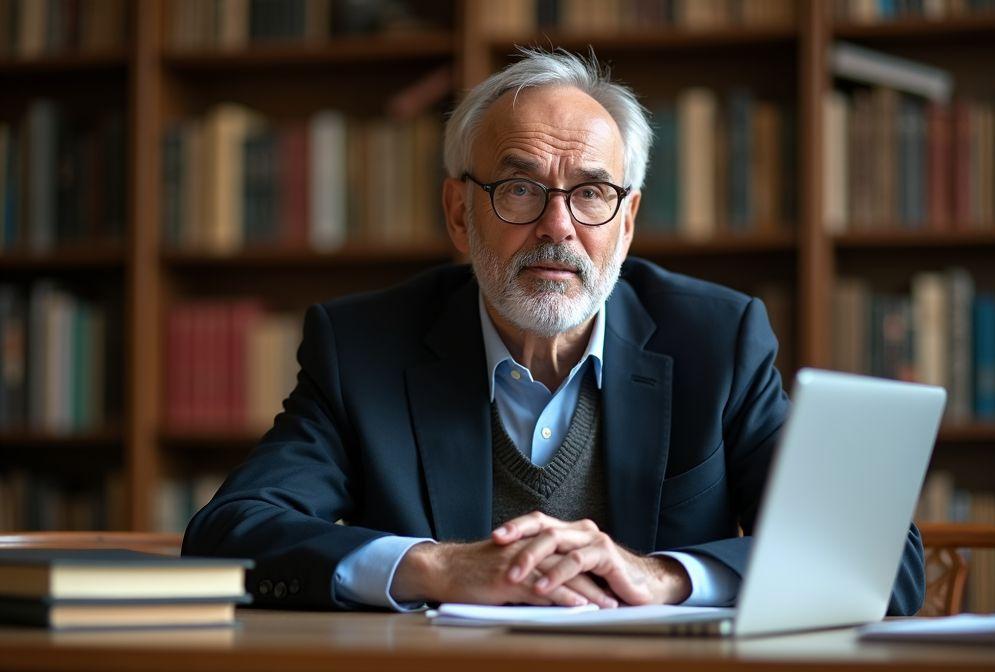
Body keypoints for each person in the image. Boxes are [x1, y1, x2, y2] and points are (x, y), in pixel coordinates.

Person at [182, 48, 925, 614]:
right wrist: (441, 568)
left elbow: (881, 562)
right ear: (458, 212)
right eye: (519, 189)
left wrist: (663, 575)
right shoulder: (365, 347)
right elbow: (230, 532)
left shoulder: (717, 339)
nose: (557, 228)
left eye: (593, 193)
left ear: (627, 222)